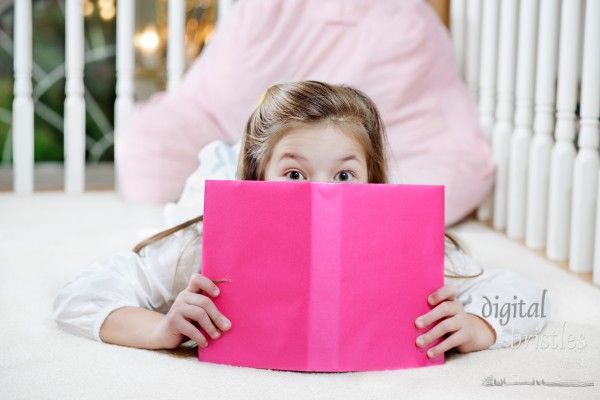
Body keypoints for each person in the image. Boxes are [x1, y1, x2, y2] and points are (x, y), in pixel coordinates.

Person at [54, 81, 547, 360]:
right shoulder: (200, 242)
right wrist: (160, 328)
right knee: (200, 187)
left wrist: (480, 325)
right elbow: (80, 294)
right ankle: (231, 163)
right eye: (294, 173)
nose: (322, 192)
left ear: (374, 184)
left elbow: (526, 296)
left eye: (345, 175)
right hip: (219, 185)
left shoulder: (413, 246)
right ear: (258, 178)